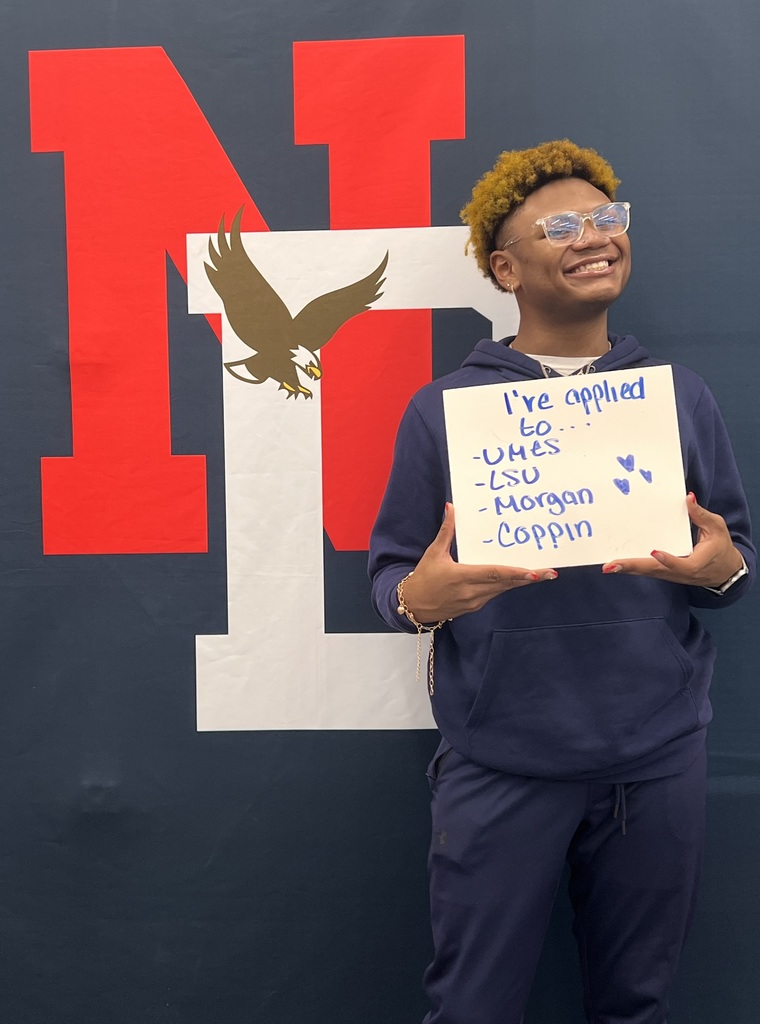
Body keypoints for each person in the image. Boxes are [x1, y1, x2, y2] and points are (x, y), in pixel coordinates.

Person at [367, 140, 755, 1024]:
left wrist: (722, 570)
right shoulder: (443, 411)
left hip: (656, 757)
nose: (595, 237)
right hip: (501, 760)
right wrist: (418, 601)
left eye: (608, 218)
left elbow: (734, 561)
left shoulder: (679, 396)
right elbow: (393, 576)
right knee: (473, 1006)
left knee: (637, 1004)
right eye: (562, 227)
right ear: (506, 268)